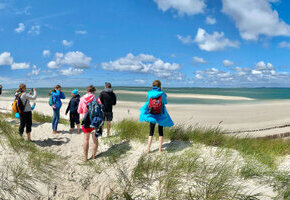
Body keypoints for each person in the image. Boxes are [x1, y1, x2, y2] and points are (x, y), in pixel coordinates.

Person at [139, 80, 174, 153]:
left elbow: (148, 101)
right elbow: (165, 102)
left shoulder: (149, 93)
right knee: (160, 131)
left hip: (152, 114)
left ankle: (148, 149)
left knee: (151, 131)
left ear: (153, 86)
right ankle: (160, 150)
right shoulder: (162, 93)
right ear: (160, 86)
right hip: (160, 114)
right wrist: (163, 93)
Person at [78, 85, 103, 162]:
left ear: (87, 91)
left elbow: (79, 111)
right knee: (95, 140)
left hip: (86, 121)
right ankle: (93, 156)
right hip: (95, 121)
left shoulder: (82, 99)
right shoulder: (97, 98)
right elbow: (101, 110)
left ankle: (85, 158)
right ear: (94, 91)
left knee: (86, 139)